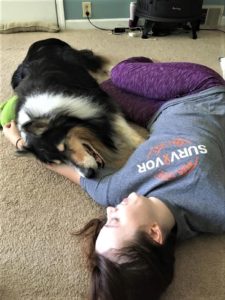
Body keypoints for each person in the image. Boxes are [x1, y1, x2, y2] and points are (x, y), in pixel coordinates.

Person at [3, 59, 225, 300]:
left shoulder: (112, 192)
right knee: (118, 76)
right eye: (115, 221)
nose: (109, 211)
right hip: (203, 93)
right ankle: (146, 67)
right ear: (153, 233)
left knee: (106, 88)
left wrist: (18, 140)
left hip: (156, 114)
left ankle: (145, 70)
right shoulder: (217, 209)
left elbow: (60, 164)